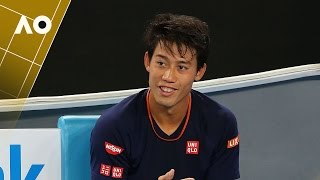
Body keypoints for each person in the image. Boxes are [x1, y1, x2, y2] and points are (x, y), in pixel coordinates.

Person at [90, 13, 240, 180]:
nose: (168, 76)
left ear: (199, 72)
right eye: (161, 63)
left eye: (182, 67)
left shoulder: (221, 124)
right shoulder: (114, 127)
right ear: (147, 61)